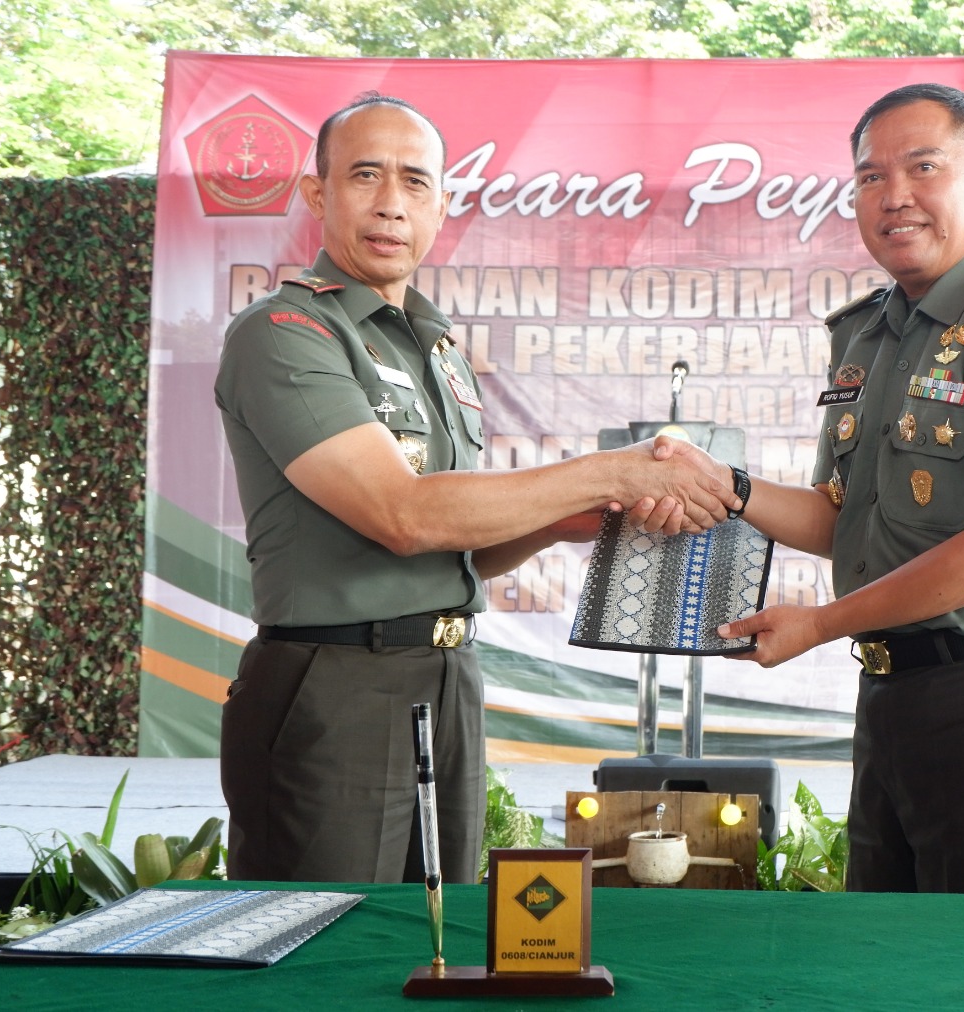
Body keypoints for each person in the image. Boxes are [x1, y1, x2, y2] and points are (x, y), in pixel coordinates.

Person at [214, 93, 737, 886]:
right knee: (327, 946)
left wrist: (573, 518)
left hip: (446, 675)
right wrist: (617, 468)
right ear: (318, 194)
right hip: (336, 684)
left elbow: (453, 552)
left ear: (442, 206)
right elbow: (403, 515)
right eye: (366, 176)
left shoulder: (438, 352)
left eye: (416, 183)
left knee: (438, 939)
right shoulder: (287, 334)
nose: (392, 203)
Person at [713, 83, 964, 1010]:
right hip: (894, 696)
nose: (895, 195)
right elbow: (838, 518)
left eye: (923, 167)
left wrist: (823, 624)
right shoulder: (870, 337)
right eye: (870, 176)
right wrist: (720, 487)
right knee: (888, 977)